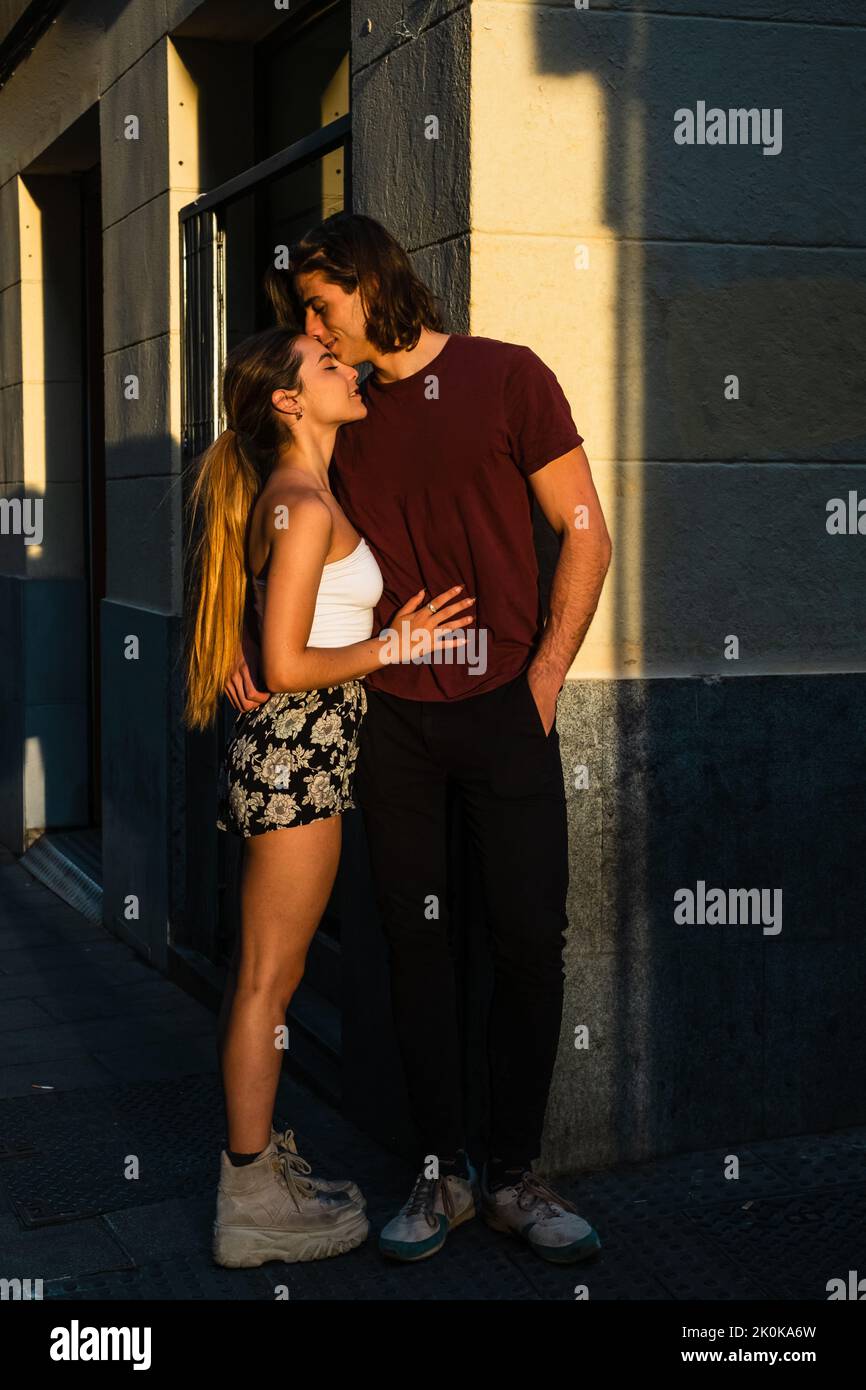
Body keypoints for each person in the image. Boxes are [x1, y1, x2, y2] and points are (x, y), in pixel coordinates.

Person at [228, 213, 612, 1265]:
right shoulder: (341, 413)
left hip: (504, 709)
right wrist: (237, 633)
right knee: (416, 945)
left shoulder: (506, 377)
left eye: (320, 303)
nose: (311, 327)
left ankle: (517, 1175)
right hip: (388, 717)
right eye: (301, 314)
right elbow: (265, 502)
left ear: (369, 282)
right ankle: (441, 1171)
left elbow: (586, 531)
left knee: (528, 937)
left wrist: (539, 679)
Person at [184, 324, 474, 1266]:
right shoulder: (304, 501)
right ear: (288, 401)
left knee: (278, 974)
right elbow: (285, 660)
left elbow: (272, 630)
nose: (346, 368)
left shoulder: (300, 493)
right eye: (325, 365)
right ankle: (248, 1197)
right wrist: (397, 645)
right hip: (297, 757)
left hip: (304, 753)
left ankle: (261, 1171)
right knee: (270, 978)